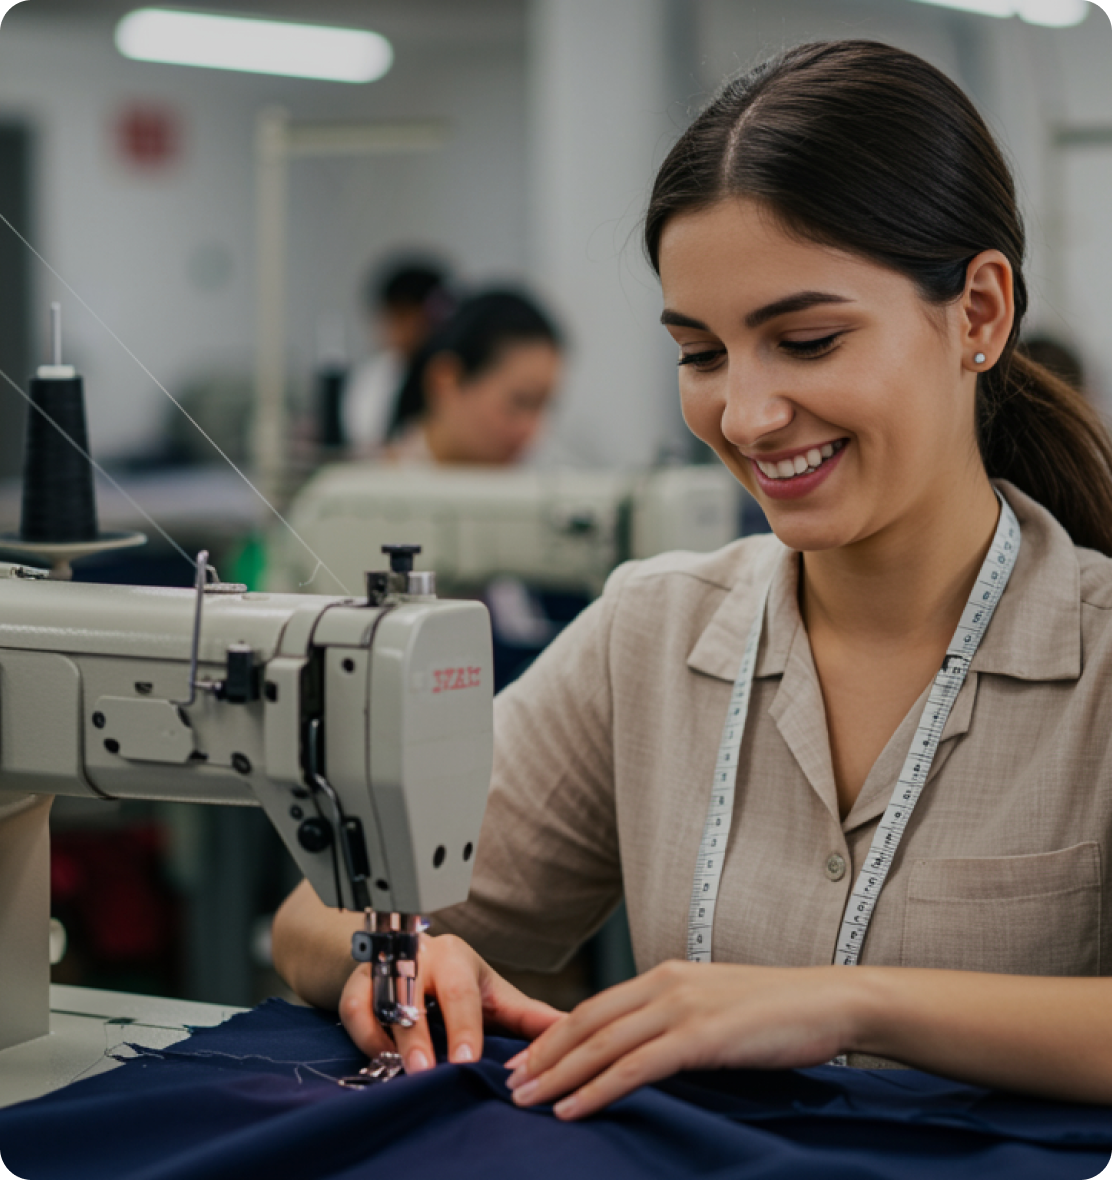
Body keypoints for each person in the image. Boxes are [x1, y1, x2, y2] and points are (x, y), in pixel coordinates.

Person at [272, 40, 1112, 1119]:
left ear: (978, 314)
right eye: (701, 354)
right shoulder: (650, 635)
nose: (745, 415)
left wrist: (844, 1005)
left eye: (805, 341)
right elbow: (312, 916)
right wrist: (408, 955)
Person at [382, 287, 564, 466]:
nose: (532, 431)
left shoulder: (523, 488)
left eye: (542, 407)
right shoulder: (370, 482)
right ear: (445, 382)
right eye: (521, 401)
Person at [342, 255, 455, 451]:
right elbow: (364, 441)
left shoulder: (451, 374)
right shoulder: (373, 377)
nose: (396, 329)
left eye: (405, 316)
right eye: (390, 317)